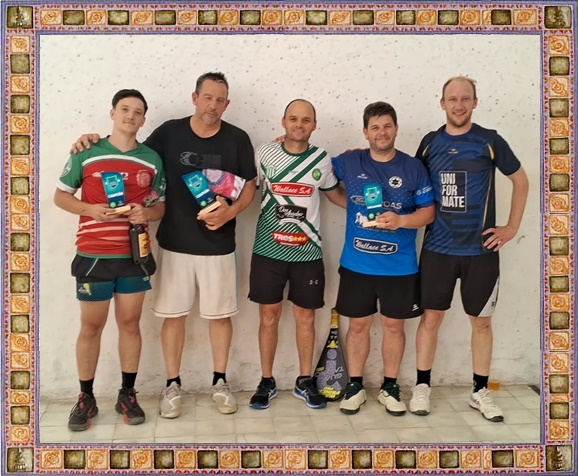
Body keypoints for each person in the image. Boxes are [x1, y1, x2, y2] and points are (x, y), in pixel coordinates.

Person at [70, 72, 257, 418]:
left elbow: (250, 185)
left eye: (220, 100)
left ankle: (220, 382)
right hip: (172, 244)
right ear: (195, 98)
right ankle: (172, 384)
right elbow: (129, 147)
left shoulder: (237, 138)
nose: (213, 105)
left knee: (220, 318)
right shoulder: (168, 133)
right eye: (207, 97)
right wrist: (91, 140)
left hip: (219, 246)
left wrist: (231, 213)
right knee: (174, 317)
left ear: (227, 104)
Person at [409, 76, 529, 422]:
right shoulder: (430, 143)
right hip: (438, 250)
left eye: (465, 98)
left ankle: (479, 391)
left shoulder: (489, 140)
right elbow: (412, 181)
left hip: (480, 252)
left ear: (475, 102)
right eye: (452, 99)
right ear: (442, 103)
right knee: (431, 319)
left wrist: (511, 227)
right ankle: (422, 386)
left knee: (482, 323)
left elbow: (520, 180)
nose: (458, 105)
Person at [55, 89, 166, 431]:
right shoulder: (87, 152)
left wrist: (145, 212)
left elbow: (159, 207)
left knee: (130, 324)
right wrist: (89, 209)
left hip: (134, 256)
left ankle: (127, 394)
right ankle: (85, 398)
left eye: (138, 111)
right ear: (113, 113)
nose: (130, 115)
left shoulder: (152, 159)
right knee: (91, 327)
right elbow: (60, 196)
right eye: (124, 109)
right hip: (93, 256)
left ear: (143, 119)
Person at [331, 102, 435, 416]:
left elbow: (428, 213)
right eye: (375, 127)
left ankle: (390, 387)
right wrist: (285, 140)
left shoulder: (413, 167)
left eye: (387, 126)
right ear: (365, 132)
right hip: (356, 264)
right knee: (358, 326)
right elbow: (319, 175)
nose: (382, 132)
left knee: (393, 327)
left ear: (396, 128)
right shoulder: (349, 161)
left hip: (399, 267)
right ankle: (355, 387)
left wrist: (401, 221)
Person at [248, 99, 346, 410]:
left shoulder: (322, 159)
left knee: (306, 318)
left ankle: (305, 380)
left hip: (307, 254)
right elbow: (247, 190)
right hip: (268, 251)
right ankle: (266, 380)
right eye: (293, 118)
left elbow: (337, 196)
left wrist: (370, 209)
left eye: (305, 120)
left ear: (314, 125)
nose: (299, 124)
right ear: (283, 121)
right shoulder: (264, 152)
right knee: (268, 317)